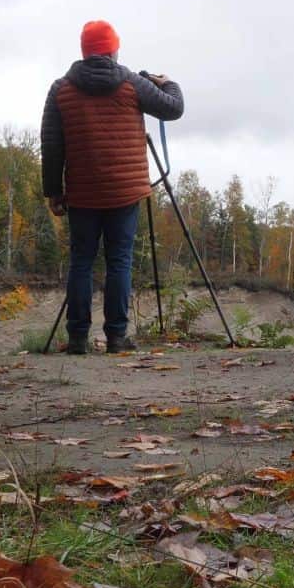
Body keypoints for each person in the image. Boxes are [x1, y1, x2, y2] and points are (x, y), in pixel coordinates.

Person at [40, 20, 184, 354]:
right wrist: (168, 82)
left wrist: (53, 191)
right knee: (119, 261)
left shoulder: (61, 89)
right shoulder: (133, 83)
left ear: (84, 51)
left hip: (82, 192)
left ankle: (78, 339)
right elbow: (173, 108)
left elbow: (52, 144)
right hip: (124, 191)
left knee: (81, 262)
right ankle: (117, 338)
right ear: (113, 50)